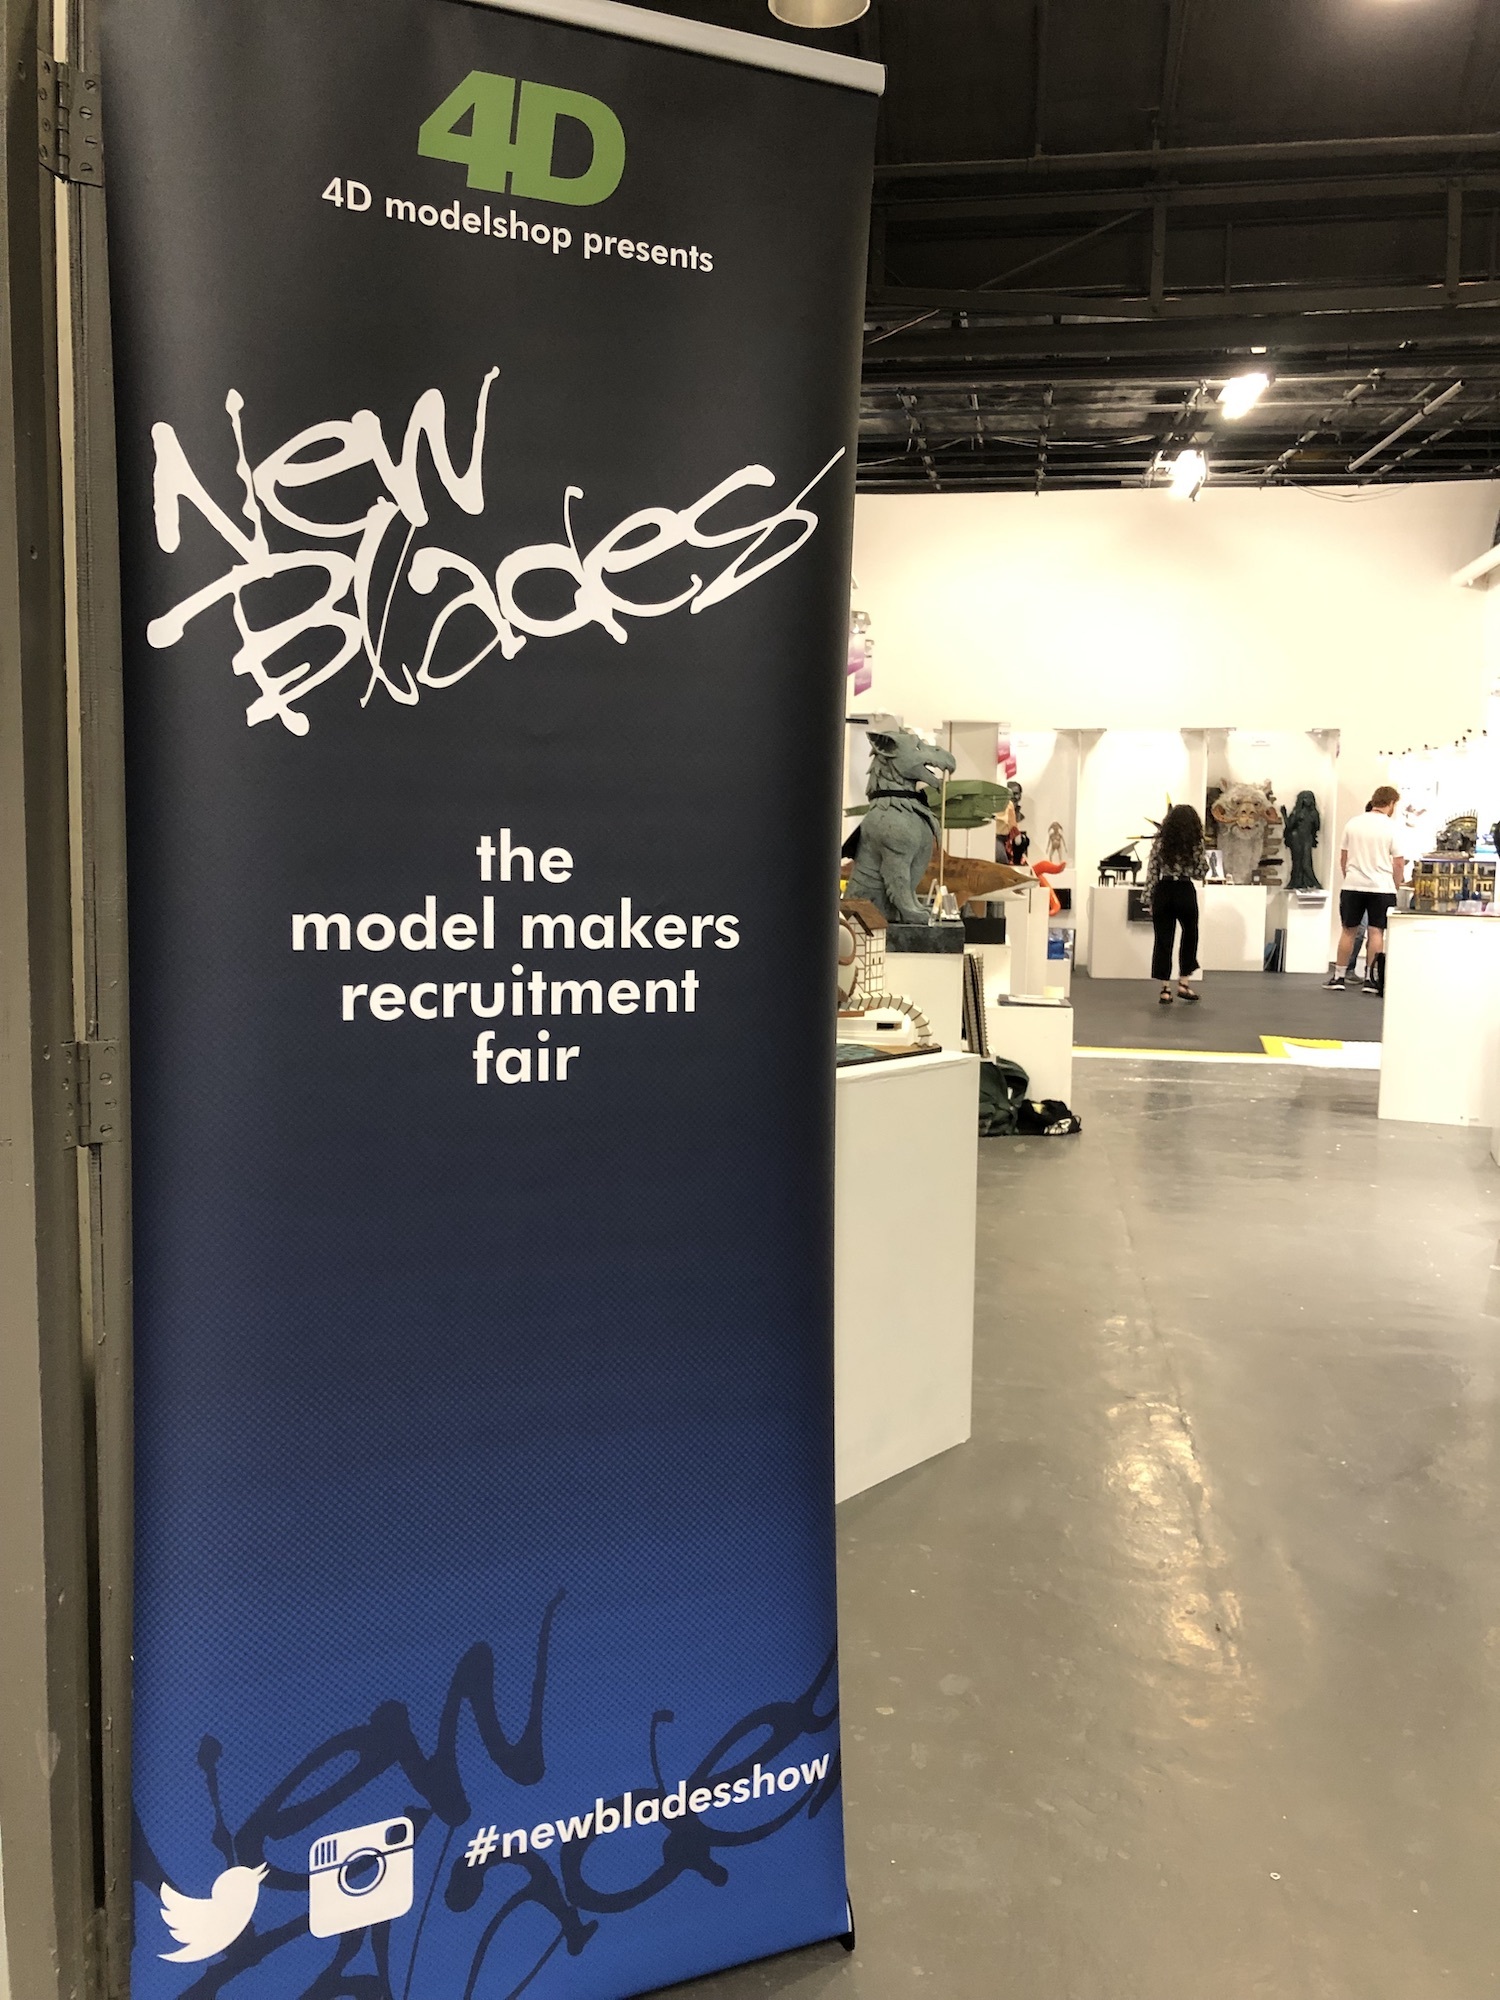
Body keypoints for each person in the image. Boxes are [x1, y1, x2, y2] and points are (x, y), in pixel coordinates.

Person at [1325, 784, 1404, 992]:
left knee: (1348, 931)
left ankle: (1339, 977)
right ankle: (1370, 979)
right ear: (1391, 803)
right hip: (1382, 887)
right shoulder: (1392, 827)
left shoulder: (1353, 823)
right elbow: (1398, 863)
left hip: (1353, 885)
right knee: (1376, 932)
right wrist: (1395, 885)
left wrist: (1349, 877)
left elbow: (1343, 857)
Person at [1145, 803, 1207, 1005]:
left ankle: (1165, 989)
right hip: (1185, 890)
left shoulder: (1160, 842)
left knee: (1163, 939)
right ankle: (1184, 983)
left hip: (1164, 890)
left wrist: (1149, 898)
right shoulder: (1195, 843)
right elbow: (1200, 872)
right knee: (1190, 936)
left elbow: (1152, 872)